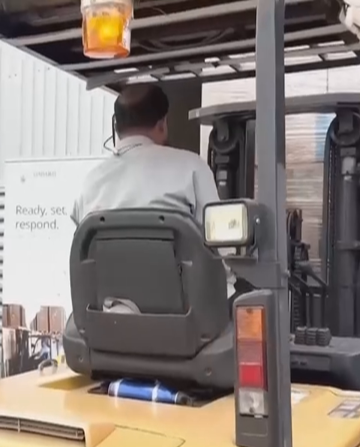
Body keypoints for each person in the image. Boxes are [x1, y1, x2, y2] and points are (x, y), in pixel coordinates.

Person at [71, 83, 237, 298]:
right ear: (162, 124)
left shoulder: (90, 182)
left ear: (116, 126)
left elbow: (82, 251)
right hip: (183, 310)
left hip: (108, 309)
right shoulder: (192, 167)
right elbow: (222, 248)